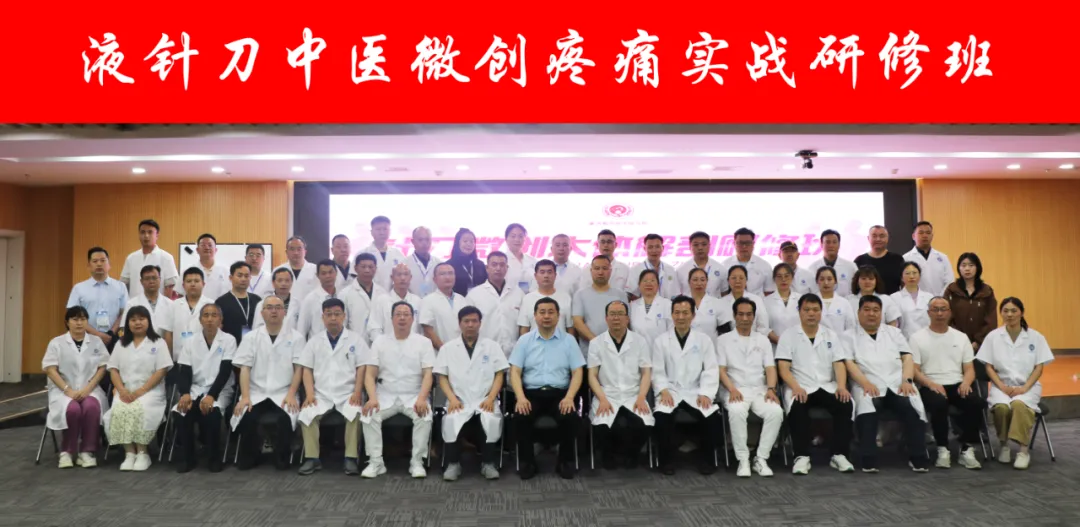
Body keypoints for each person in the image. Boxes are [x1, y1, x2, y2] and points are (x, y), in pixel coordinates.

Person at [845, 296, 931, 473]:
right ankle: (868, 458)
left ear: (881, 313)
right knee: (868, 409)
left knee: (912, 407)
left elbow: (907, 357)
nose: (871, 314)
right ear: (858, 313)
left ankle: (918, 457)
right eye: (867, 310)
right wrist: (865, 383)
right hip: (867, 383)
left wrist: (907, 380)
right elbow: (849, 363)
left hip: (897, 382)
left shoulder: (894, 333)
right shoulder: (848, 336)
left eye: (876, 310)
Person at [775, 294, 855, 475]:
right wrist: (795, 387)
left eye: (815, 310)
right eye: (807, 310)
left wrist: (841, 386)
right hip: (800, 385)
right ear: (799, 312)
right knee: (798, 406)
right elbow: (783, 368)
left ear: (821, 312)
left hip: (827, 385)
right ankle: (801, 456)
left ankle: (839, 454)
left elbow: (838, 364)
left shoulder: (830, 335)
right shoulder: (788, 335)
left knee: (845, 403)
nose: (811, 313)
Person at [509, 297, 585, 480]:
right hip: (531, 393)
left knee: (570, 417)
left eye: (551, 312)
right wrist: (520, 397)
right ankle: (528, 462)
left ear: (558, 316)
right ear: (535, 316)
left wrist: (569, 397)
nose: (546, 316)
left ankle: (565, 462)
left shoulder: (569, 341)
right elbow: (515, 371)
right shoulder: (524, 341)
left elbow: (577, 372)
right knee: (521, 417)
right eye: (542, 312)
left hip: (560, 394)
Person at [360, 301, 436, 479]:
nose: (402, 318)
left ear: (412, 318)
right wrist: (372, 398)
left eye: (406, 314)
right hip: (385, 394)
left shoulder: (424, 342)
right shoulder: (379, 342)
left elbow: (428, 375)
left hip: (414, 394)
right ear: (392, 318)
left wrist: (422, 398)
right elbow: (369, 374)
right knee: (369, 415)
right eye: (398, 314)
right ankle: (376, 462)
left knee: (425, 416)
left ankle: (417, 462)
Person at [976, 297, 1053, 470]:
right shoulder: (993, 336)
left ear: (1021, 313)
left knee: (1019, 405)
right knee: (1002, 408)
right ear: (1001, 313)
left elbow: (1039, 367)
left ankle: (1023, 451)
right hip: (1001, 386)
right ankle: (1004, 445)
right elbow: (988, 366)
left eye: (1014, 311)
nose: (1009, 314)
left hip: (1028, 386)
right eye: (1005, 311)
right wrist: (1001, 386)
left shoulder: (1035, 337)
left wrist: (1025, 388)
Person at [296, 298, 370, 476]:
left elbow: (362, 368)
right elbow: (307, 369)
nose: (333, 318)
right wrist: (310, 394)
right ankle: (312, 458)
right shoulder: (314, 342)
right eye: (329, 314)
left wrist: (357, 392)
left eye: (337, 314)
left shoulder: (356, 340)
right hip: (321, 394)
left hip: (348, 394)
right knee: (307, 413)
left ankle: (350, 458)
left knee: (355, 413)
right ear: (323, 317)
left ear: (344, 316)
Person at [232, 295, 306, 471]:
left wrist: (291, 394)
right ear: (262, 313)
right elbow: (244, 368)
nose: (274, 311)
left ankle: (282, 457)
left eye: (278, 307)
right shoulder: (251, 337)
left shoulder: (297, 338)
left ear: (284, 312)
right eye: (269, 307)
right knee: (248, 415)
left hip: (284, 391)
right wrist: (245, 396)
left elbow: (299, 369)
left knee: (285, 418)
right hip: (256, 392)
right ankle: (250, 456)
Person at [651, 294, 722, 475]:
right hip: (671, 390)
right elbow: (657, 370)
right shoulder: (661, 341)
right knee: (662, 417)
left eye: (685, 312)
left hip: (696, 390)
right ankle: (666, 461)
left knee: (711, 417)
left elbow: (711, 369)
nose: (681, 317)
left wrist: (706, 393)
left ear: (693, 315)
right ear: (672, 315)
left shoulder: (704, 340)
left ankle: (706, 461)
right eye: (677, 312)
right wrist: (663, 390)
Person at [910, 297, 984, 470]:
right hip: (930, 384)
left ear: (950, 312)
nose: (940, 313)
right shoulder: (917, 338)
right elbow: (914, 370)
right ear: (928, 313)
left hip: (957, 383)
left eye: (943, 309)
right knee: (938, 403)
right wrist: (930, 384)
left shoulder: (961, 337)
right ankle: (942, 448)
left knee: (976, 402)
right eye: (935, 309)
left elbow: (969, 368)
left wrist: (966, 383)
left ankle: (966, 447)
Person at [435, 306, 509, 481]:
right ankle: (453, 464)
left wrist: (491, 398)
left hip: (485, 399)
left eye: (474, 321)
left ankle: (488, 463)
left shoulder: (492, 346)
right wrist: (452, 399)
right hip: (459, 400)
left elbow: (499, 374)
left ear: (480, 323)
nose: (470, 325)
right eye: (466, 321)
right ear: (459, 323)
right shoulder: (448, 348)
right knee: (451, 420)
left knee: (490, 420)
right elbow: (442, 377)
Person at [717, 297, 782, 477]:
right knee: (737, 410)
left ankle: (761, 458)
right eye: (741, 314)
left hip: (759, 389)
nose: (745, 318)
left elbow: (770, 368)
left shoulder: (762, 340)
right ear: (734, 316)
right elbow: (721, 370)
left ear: (754, 316)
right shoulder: (723, 340)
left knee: (776, 412)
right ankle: (743, 459)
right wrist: (732, 389)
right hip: (734, 388)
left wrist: (771, 389)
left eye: (748, 315)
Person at [104, 306, 172, 471]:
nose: (137, 323)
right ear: (128, 323)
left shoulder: (158, 343)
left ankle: (143, 453)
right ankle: (129, 453)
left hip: (151, 391)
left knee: (140, 409)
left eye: (141, 319)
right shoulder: (121, 343)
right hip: (125, 390)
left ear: (149, 321)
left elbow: (161, 370)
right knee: (119, 409)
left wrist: (141, 391)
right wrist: (121, 390)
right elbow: (113, 369)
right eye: (133, 320)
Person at [587, 300, 653, 470]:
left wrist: (641, 397)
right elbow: (592, 375)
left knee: (644, 424)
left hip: (633, 393)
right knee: (602, 424)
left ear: (627, 318)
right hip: (607, 393)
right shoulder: (596, 343)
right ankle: (608, 455)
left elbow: (646, 373)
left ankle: (632, 454)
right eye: (612, 314)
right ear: (606, 318)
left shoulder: (639, 341)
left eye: (620, 314)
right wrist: (602, 399)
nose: (616, 318)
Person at [42, 306, 110, 469]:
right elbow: (50, 369)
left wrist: (88, 388)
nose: (79, 323)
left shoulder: (96, 342)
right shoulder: (57, 343)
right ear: (67, 322)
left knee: (91, 407)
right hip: (63, 391)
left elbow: (103, 367)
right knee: (72, 410)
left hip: (90, 389)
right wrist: (68, 390)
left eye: (83, 319)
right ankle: (67, 451)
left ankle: (87, 451)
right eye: (75, 319)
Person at [174, 303, 237, 473]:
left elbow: (225, 371)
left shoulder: (229, 340)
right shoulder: (190, 342)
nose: (210, 319)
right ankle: (188, 458)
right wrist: (185, 394)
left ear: (220, 319)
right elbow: (184, 371)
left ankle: (214, 458)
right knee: (181, 412)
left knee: (212, 413)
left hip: (220, 390)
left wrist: (211, 395)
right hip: (195, 388)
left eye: (214, 315)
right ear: (200, 320)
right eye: (206, 315)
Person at [67, 247, 127, 352]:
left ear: (109, 264)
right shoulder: (79, 288)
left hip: (113, 339)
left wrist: (111, 332)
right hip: (86, 338)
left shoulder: (120, 286)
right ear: (88, 265)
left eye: (103, 260)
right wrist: (96, 334)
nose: (99, 264)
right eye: (95, 261)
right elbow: (72, 315)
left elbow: (125, 313)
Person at [467, 251, 525, 356]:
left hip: (514, 352)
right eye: (494, 264)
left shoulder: (518, 293)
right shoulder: (474, 295)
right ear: (487, 268)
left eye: (502, 265)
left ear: (507, 268)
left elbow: (524, 324)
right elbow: (469, 326)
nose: (498, 268)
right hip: (484, 352)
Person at [573, 255, 631, 356]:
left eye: (604, 268)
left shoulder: (620, 294)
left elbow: (626, 321)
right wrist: (596, 342)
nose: (600, 272)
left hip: (616, 351)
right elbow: (577, 322)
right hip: (589, 351)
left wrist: (612, 343)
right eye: (597, 268)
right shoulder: (580, 294)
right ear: (591, 271)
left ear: (610, 271)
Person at [944, 252, 998, 357]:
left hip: (982, 346)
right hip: (955, 344)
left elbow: (991, 319)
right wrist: (961, 340)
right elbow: (946, 317)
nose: (967, 269)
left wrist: (978, 342)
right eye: (963, 265)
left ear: (977, 268)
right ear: (959, 268)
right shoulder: (951, 290)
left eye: (971, 265)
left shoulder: (986, 291)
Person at [296, 259, 365, 340]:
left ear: (336, 273)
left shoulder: (344, 295)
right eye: (323, 273)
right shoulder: (310, 299)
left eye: (330, 272)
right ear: (317, 275)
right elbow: (301, 330)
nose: (328, 276)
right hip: (318, 345)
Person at [120, 219, 179, 299]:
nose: (146, 235)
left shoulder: (166, 258)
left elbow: (170, 286)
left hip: (158, 305)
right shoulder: (131, 258)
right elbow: (123, 284)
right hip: (134, 305)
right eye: (143, 232)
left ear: (157, 235)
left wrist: (165, 305)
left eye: (150, 232)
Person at [165, 268, 214, 362]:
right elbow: (168, 334)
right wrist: (169, 360)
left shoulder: (211, 305)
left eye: (196, 281)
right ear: (183, 285)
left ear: (203, 284)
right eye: (189, 281)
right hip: (178, 359)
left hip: (204, 360)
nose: (192, 284)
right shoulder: (174, 305)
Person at [518, 259, 575, 337]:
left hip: (561, 343)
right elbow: (524, 328)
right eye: (542, 272)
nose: (546, 276)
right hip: (534, 343)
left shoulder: (565, 297)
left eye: (549, 272)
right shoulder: (527, 299)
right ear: (535, 276)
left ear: (555, 275)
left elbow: (570, 327)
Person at [368, 263, 423, 342]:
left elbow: (421, 330)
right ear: (392, 277)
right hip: (387, 346)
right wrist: (383, 346)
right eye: (399, 274)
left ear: (410, 277)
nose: (402, 278)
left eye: (406, 274)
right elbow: (374, 328)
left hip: (413, 347)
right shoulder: (381, 300)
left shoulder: (418, 301)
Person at [420, 262, 467, 350]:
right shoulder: (428, 300)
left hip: (462, 350)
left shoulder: (462, 299)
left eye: (450, 273)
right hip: (439, 351)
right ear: (434, 279)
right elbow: (428, 330)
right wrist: (444, 350)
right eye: (442, 274)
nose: (447, 277)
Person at [121, 265, 174, 340]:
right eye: (147, 278)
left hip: (164, 345)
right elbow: (123, 328)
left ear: (160, 280)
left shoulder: (171, 304)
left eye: (154, 278)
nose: (151, 281)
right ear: (141, 281)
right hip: (139, 345)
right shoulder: (131, 304)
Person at [215, 262, 261, 345]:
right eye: (239, 275)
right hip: (230, 346)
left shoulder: (257, 300)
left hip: (254, 345)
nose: (243, 279)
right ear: (230, 278)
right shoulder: (221, 302)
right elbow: (218, 329)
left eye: (246, 276)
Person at [342, 253, 386, 340]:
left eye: (371, 267)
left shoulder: (382, 293)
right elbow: (342, 324)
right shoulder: (345, 294)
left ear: (375, 269)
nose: (367, 270)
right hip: (354, 343)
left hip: (379, 343)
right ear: (355, 268)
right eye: (363, 267)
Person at [717, 265, 771, 337]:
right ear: (728, 281)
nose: (737, 281)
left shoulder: (756, 300)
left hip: (754, 341)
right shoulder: (721, 302)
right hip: (729, 341)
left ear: (746, 280)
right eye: (734, 278)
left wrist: (757, 341)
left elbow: (763, 326)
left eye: (741, 278)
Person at [720, 228, 775, 296]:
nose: (744, 246)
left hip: (757, 302)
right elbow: (723, 291)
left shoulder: (764, 266)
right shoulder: (725, 265)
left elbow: (769, 292)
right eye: (740, 243)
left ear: (753, 244)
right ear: (734, 243)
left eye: (748, 243)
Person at [904, 221, 953, 295]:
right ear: (913, 236)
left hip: (940, 299)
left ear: (932, 236)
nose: (925, 235)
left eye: (928, 233)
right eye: (921, 233)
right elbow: (904, 284)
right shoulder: (906, 258)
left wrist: (940, 298)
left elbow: (949, 281)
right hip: (915, 300)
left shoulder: (943, 257)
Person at [854, 225, 906, 294]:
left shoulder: (897, 259)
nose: (878, 239)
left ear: (887, 238)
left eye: (882, 236)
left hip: (893, 300)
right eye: (874, 236)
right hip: (867, 300)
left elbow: (904, 283)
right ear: (868, 238)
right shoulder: (860, 260)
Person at [360, 215, 407, 291]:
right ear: (371, 232)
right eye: (378, 229)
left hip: (393, 296)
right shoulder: (362, 254)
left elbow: (405, 277)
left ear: (390, 231)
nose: (382, 232)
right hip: (370, 295)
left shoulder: (398, 254)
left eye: (385, 229)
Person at [806, 229, 858, 297]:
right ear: (821, 244)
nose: (831, 245)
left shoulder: (851, 267)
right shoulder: (812, 268)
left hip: (846, 303)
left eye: (834, 242)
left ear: (839, 245)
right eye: (827, 242)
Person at [892, 262, 936, 339]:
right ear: (901, 277)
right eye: (907, 273)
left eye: (914, 273)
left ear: (920, 276)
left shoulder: (929, 297)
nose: (911, 276)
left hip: (928, 339)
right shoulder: (894, 298)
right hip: (904, 340)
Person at [628, 269, 673, 345]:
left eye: (652, 280)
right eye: (645, 281)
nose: (648, 283)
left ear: (658, 285)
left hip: (662, 349)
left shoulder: (668, 304)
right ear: (639, 285)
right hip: (638, 349)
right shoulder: (632, 306)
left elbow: (672, 331)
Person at [579, 229, 631, 295]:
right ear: (597, 245)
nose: (606, 245)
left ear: (615, 245)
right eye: (602, 242)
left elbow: (629, 293)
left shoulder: (625, 269)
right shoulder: (587, 269)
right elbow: (583, 292)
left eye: (609, 242)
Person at [764, 263, 804, 348]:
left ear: (792, 278)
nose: (783, 279)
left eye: (786, 276)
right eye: (779, 276)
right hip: (776, 346)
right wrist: (778, 340)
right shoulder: (766, 301)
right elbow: (764, 326)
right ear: (774, 279)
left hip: (799, 344)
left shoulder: (801, 299)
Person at [628, 234, 678, 299]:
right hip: (644, 305)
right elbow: (632, 295)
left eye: (657, 247)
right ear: (644, 248)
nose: (654, 250)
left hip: (667, 305)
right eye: (650, 247)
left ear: (662, 248)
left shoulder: (670, 269)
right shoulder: (635, 270)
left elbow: (675, 294)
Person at [685, 268, 731, 338]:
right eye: (695, 280)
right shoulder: (681, 304)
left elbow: (725, 332)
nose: (699, 283)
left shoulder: (717, 303)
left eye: (702, 280)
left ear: (707, 281)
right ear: (689, 282)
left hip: (711, 344)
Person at [252, 268, 301, 333]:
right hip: (267, 338)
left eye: (287, 280)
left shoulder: (298, 304)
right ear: (273, 283)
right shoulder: (262, 304)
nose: (283, 284)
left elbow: (301, 328)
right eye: (280, 280)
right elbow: (256, 328)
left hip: (291, 338)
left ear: (291, 283)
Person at [676, 231, 724, 297]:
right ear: (690, 247)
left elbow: (724, 293)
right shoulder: (680, 270)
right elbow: (678, 294)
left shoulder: (721, 269)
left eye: (704, 244)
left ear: (709, 246)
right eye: (696, 245)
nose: (700, 248)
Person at [275, 236, 319, 308]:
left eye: (299, 249)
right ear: (286, 252)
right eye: (292, 249)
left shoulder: (316, 270)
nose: (296, 253)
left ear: (305, 252)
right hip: (285, 310)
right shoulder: (278, 270)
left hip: (309, 310)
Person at [815, 267, 857, 335]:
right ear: (817, 281)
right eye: (822, 279)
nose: (826, 283)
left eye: (829, 279)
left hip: (840, 340)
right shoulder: (811, 302)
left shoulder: (844, 303)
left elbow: (851, 327)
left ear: (835, 281)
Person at [447, 228, 487, 296]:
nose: (469, 244)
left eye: (472, 241)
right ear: (457, 243)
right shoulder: (449, 265)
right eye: (465, 241)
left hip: (479, 300)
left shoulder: (480, 265)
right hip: (457, 301)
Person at [406, 226, 442, 297]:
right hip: (411, 302)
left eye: (427, 239)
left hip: (435, 302)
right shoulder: (405, 264)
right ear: (413, 242)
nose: (424, 243)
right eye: (420, 240)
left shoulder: (439, 263)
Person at [502, 223, 538, 294]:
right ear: (506, 239)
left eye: (520, 236)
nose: (517, 239)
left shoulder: (533, 261)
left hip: (531, 298)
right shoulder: (502, 261)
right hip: (509, 298)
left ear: (525, 239)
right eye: (513, 236)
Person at [194, 233, 230, 300]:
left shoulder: (226, 271)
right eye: (203, 245)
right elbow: (181, 295)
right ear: (197, 250)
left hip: (221, 306)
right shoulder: (188, 270)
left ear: (215, 250)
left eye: (210, 245)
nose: (207, 248)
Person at [549, 234, 584, 298]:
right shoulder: (543, 270)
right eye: (557, 245)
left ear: (570, 249)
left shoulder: (578, 271)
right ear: (551, 249)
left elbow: (581, 295)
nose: (561, 248)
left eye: (565, 245)